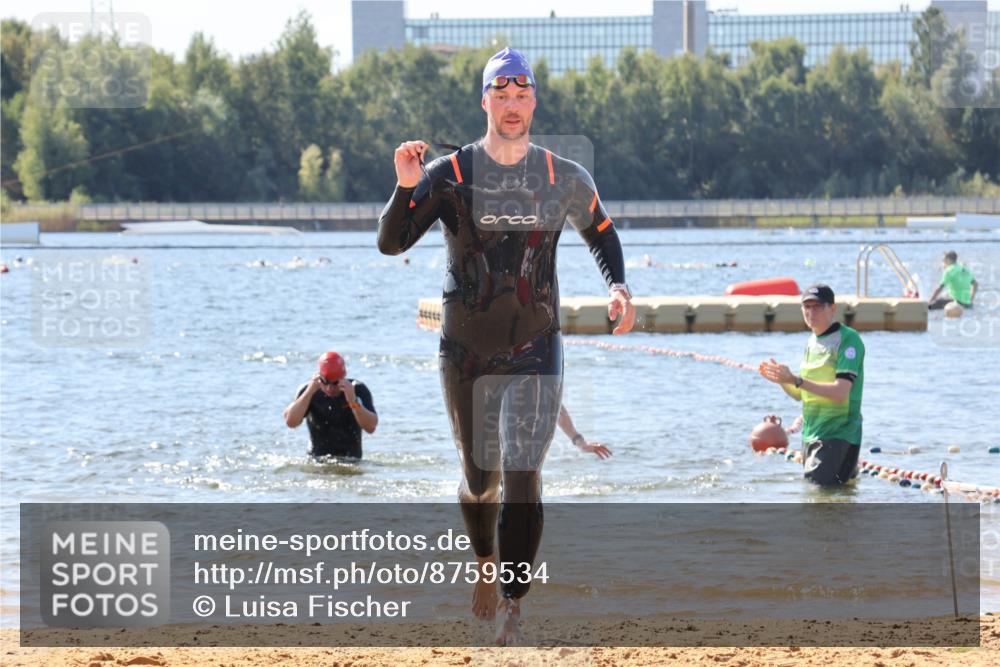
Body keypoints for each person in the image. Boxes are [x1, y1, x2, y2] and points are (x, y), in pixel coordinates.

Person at [377, 47, 635, 643]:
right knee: (480, 480)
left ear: (533, 101)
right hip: (465, 351)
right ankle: (486, 563)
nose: (513, 106)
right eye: (502, 95)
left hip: (536, 343)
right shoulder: (452, 174)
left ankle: (516, 608)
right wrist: (404, 187)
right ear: (485, 100)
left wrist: (618, 287)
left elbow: (601, 231)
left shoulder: (563, 176)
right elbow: (392, 243)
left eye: (522, 96)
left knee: (524, 474)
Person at [758, 285, 865, 486]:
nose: (811, 312)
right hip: (812, 432)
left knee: (819, 496)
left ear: (832, 309)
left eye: (817, 307)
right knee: (834, 499)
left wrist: (797, 380)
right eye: (806, 307)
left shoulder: (849, 339)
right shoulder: (811, 341)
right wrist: (783, 380)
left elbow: (841, 392)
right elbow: (802, 394)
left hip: (839, 432)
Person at [283, 351, 378, 459]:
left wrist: (353, 402)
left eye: (335, 383)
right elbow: (291, 422)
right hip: (317, 462)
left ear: (343, 377)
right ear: (319, 377)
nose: (330, 388)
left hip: (351, 462)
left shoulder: (357, 390)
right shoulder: (308, 391)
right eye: (325, 382)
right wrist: (309, 393)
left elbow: (371, 427)